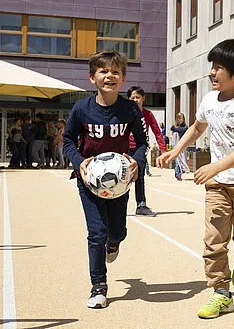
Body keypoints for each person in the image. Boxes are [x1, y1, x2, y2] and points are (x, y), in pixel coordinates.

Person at [157, 39, 234, 319]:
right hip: (217, 185)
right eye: (212, 67)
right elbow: (196, 128)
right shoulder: (208, 100)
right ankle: (221, 292)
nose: (212, 72)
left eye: (219, 68)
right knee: (214, 239)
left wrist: (214, 166)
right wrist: (175, 151)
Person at [63, 50, 146, 309]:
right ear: (92, 77)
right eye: (103, 71)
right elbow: (68, 140)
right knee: (96, 232)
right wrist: (79, 162)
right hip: (89, 181)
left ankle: (114, 243)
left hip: (119, 181)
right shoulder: (81, 108)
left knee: (117, 232)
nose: (109, 76)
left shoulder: (130, 109)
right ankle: (98, 285)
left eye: (115, 72)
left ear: (123, 79)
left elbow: (142, 143)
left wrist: (137, 161)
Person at [127, 86, 167, 216]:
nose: (135, 100)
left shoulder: (148, 114)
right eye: (132, 98)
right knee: (123, 176)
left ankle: (141, 205)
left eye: (138, 97)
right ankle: (118, 205)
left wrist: (163, 151)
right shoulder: (124, 113)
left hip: (141, 148)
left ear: (143, 98)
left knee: (139, 176)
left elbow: (157, 132)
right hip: (126, 149)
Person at [169, 113, 188, 181]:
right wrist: (173, 137)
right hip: (176, 144)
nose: (181, 120)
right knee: (178, 159)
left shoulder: (185, 127)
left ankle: (179, 171)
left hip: (183, 144)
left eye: (182, 118)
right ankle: (178, 174)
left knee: (182, 159)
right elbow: (170, 135)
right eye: (180, 118)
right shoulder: (174, 127)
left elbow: (187, 135)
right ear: (177, 119)